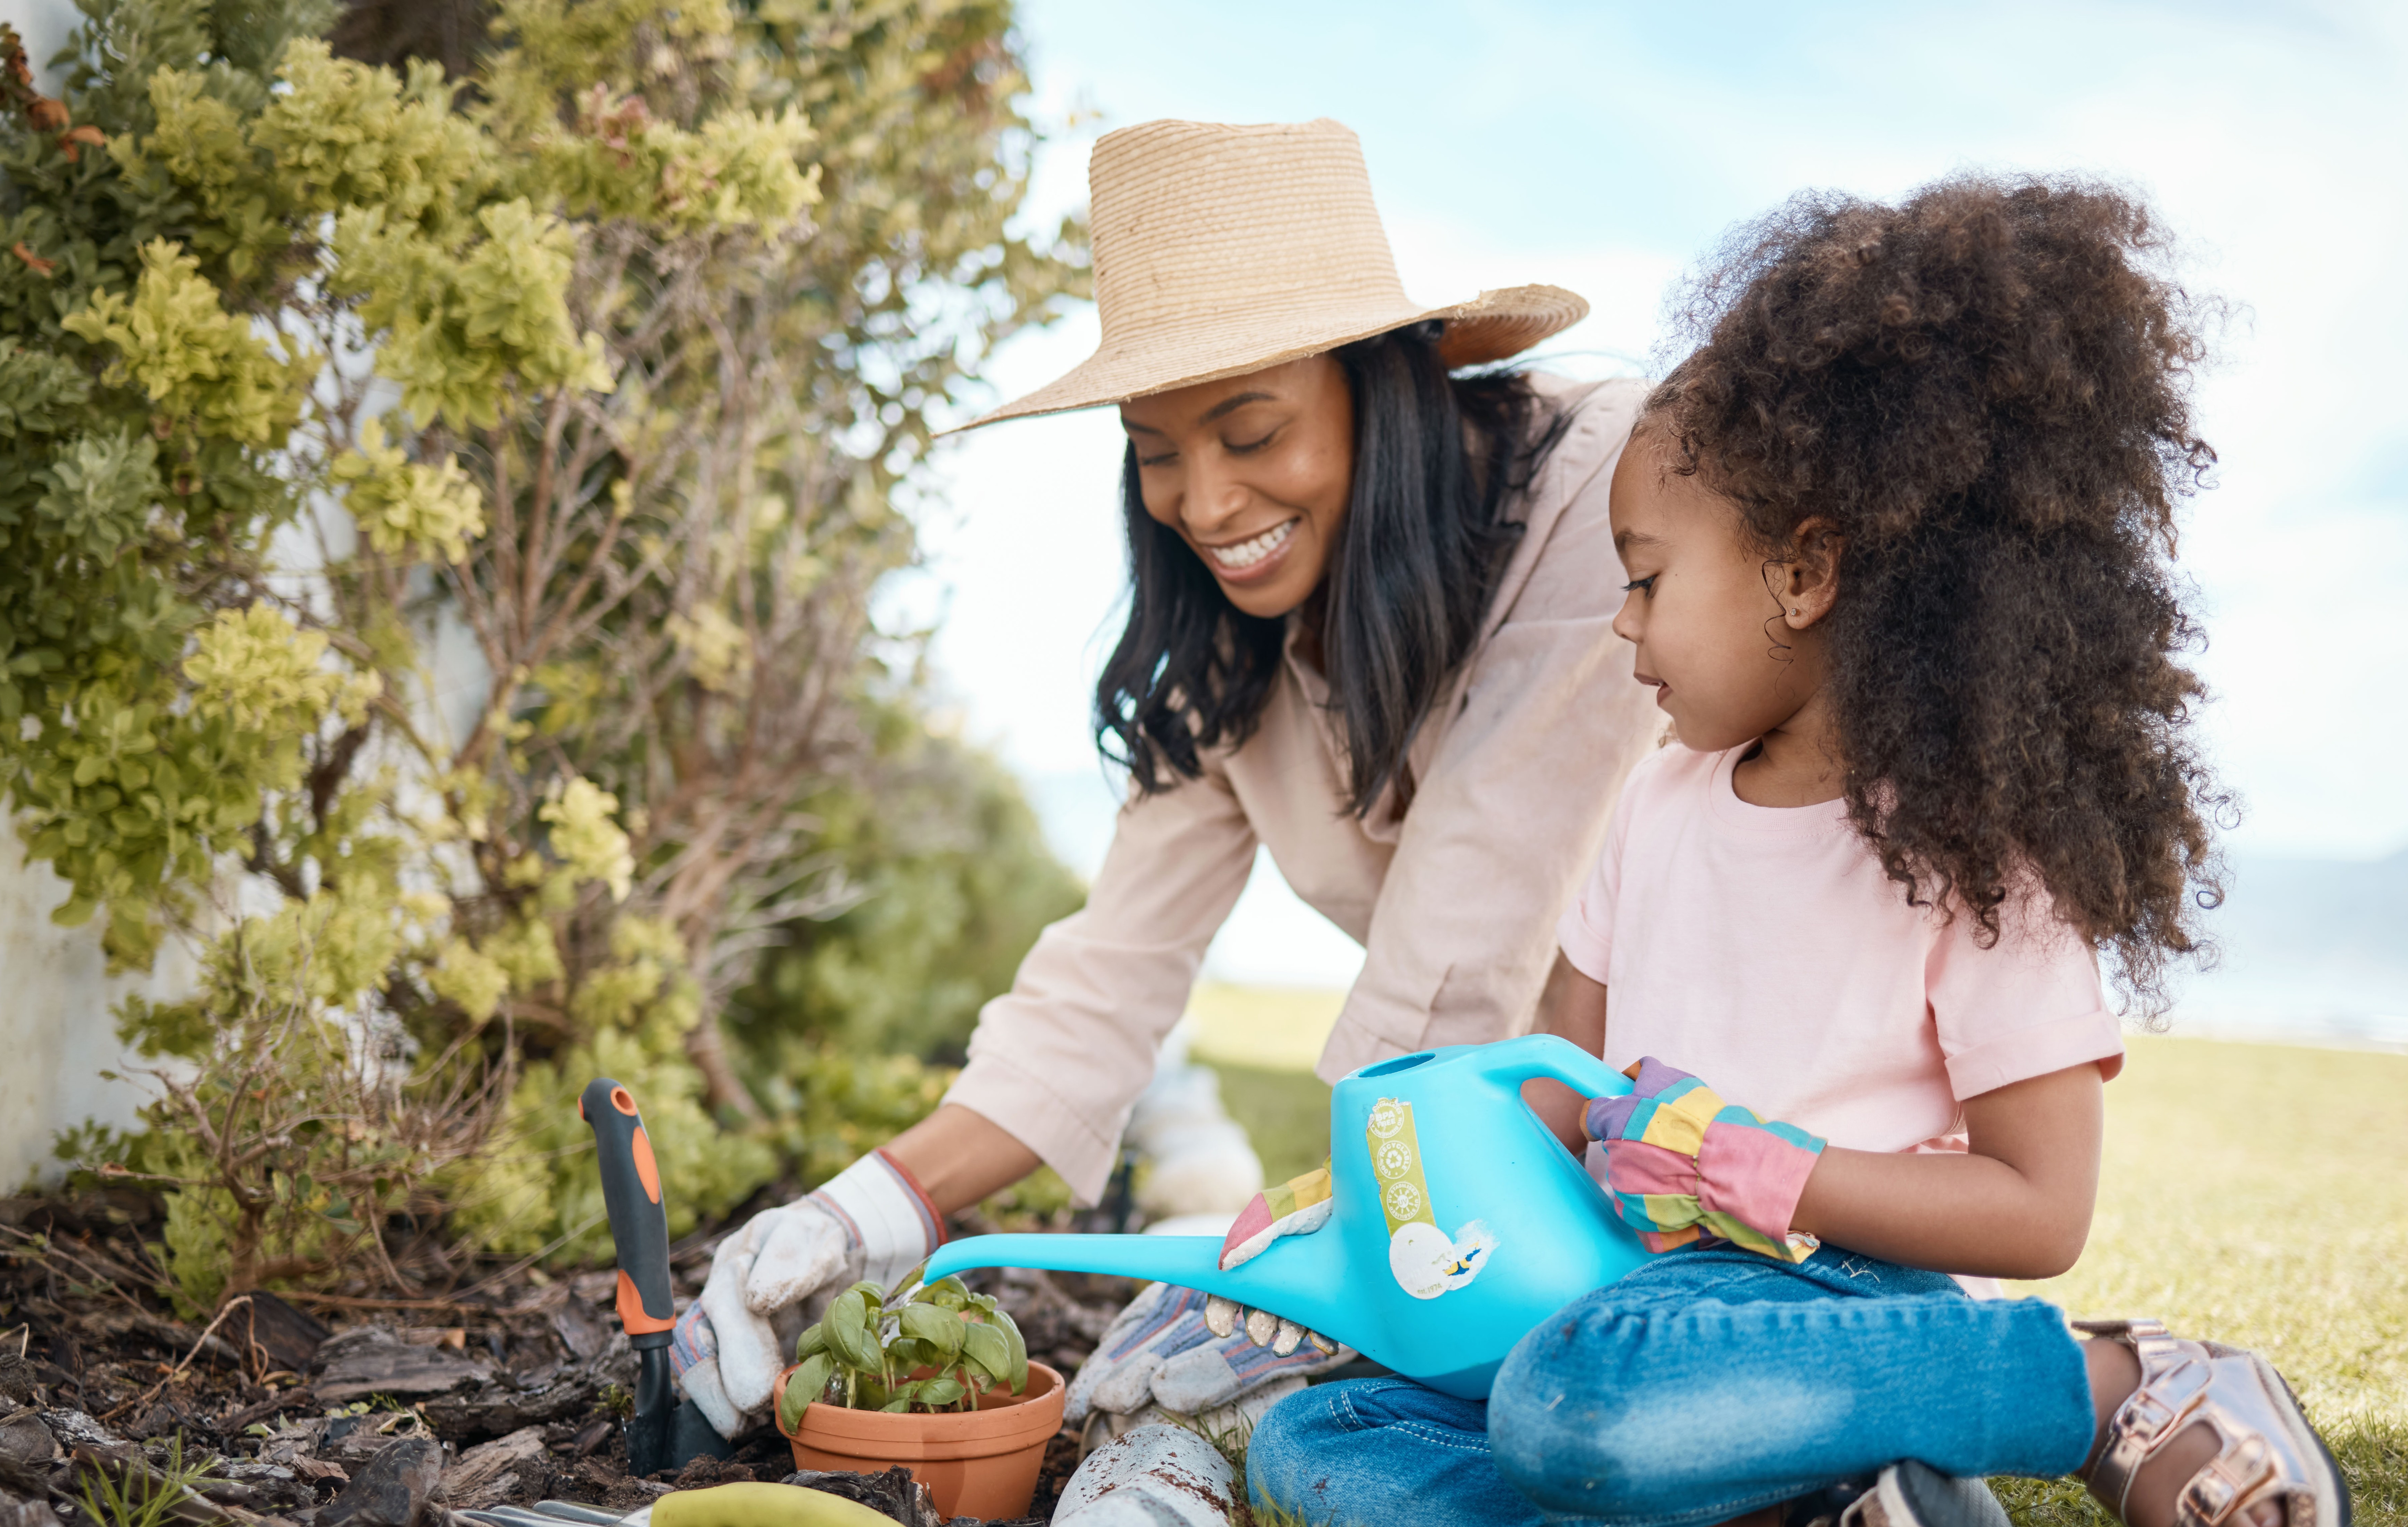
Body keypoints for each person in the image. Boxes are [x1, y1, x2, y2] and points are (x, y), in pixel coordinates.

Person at [1243, 177, 2352, 1527]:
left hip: (1845, 1299)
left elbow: (2042, 1210)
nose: (1623, 627)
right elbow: (1563, 1095)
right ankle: (1817, 1504)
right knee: (1317, 1435)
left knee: (1570, 1400)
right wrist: (1352, 1211)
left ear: (1803, 570)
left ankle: (2107, 1382)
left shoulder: (1973, 851)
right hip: (1647, 1306)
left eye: (1647, 578)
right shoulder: (1653, 807)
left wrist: (1766, 1169)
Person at [668, 118, 1666, 1442]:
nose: (1201, 504)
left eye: (1251, 431)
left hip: (1698, 1142)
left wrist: (1300, 1254)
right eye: (1157, 450)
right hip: (1466, 1190)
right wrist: (861, 1210)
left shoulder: (1592, 494)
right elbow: (1111, 972)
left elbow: (1464, 938)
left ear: (1386, 390)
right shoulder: (1230, 638)